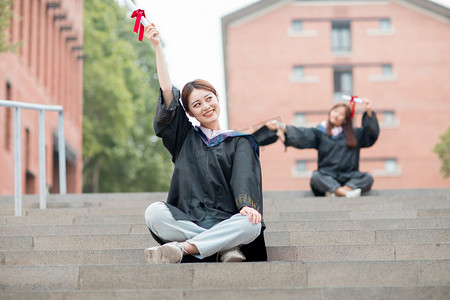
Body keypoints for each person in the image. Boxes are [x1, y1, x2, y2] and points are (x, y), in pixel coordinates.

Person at [142, 24, 266, 263]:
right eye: (197, 104)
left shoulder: (238, 141)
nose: (206, 106)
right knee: (154, 213)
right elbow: (167, 91)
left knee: (251, 223)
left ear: (217, 98)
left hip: (229, 219)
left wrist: (246, 206)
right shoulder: (184, 138)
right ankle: (224, 247)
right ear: (188, 112)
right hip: (191, 217)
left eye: (208, 99)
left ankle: (184, 248)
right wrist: (157, 47)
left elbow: (245, 177)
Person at [263, 99, 379, 197]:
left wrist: (369, 112)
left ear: (345, 119)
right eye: (335, 111)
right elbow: (303, 133)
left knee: (368, 178)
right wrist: (281, 126)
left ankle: (337, 191)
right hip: (327, 176)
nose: (336, 115)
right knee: (316, 177)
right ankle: (345, 193)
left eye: (341, 114)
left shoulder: (354, 134)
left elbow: (370, 134)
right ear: (330, 112)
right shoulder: (321, 132)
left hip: (350, 176)